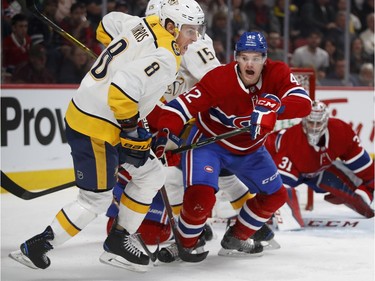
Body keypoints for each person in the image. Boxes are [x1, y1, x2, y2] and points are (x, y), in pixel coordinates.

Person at [9, 0, 205, 272]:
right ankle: (37, 247)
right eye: (190, 30)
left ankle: (119, 241)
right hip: (97, 126)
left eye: (197, 30)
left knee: (151, 174)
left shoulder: (140, 23)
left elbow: (105, 26)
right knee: (95, 199)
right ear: (171, 26)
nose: (194, 38)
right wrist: (132, 131)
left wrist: (124, 57)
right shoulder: (166, 55)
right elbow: (122, 91)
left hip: (97, 113)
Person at [103, 0, 275, 249]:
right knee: (157, 173)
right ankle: (189, 224)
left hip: (191, 122)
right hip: (161, 121)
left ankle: (251, 227)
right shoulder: (144, 35)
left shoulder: (193, 46)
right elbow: (110, 22)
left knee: (201, 174)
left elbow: (218, 80)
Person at [153, 31, 312, 262]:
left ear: (265, 59)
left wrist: (275, 106)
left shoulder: (277, 73)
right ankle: (186, 241)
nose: (250, 63)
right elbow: (179, 108)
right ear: (236, 57)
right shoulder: (219, 79)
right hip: (208, 144)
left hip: (251, 148)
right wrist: (163, 135)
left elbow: (304, 103)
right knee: (201, 197)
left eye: (256, 58)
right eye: (245, 57)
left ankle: (237, 237)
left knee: (276, 196)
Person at [265, 100, 374, 219]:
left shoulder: (341, 131)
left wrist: (368, 191)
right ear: (304, 121)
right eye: (311, 122)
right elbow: (276, 179)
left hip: (317, 169)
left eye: (318, 123)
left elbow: (365, 167)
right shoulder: (292, 140)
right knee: (278, 193)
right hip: (283, 163)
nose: (315, 127)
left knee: (358, 190)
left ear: (326, 121)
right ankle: (265, 212)